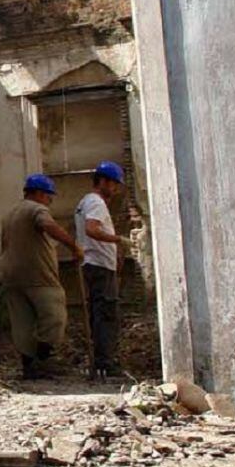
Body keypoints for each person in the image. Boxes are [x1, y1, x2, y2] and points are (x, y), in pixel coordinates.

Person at [0, 174, 84, 379]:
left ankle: (29, 366)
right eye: (48, 196)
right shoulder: (36, 209)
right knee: (54, 317)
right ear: (37, 193)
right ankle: (44, 360)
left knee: (22, 323)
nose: (50, 201)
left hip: (11, 276)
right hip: (38, 275)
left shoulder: (10, 214)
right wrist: (73, 246)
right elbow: (48, 225)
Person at [75, 160, 127, 381]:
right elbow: (92, 229)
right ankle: (105, 363)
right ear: (102, 181)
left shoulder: (85, 202)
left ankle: (101, 362)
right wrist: (118, 240)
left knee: (100, 314)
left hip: (94, 264)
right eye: (113, 184)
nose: (115, 189)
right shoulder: (96, 202)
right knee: (106, 314)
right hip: (99, 266)